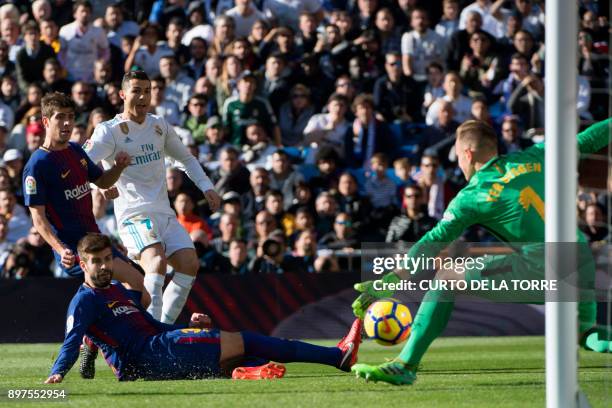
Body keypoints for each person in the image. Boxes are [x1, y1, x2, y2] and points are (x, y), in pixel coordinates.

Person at [351, 119, 612, 385]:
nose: (459, 164)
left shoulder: (473, 194)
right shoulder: (536, 155)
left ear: (468, 153)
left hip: (544, 265)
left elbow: (435, 239)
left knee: (447, 277)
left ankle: (405, 364)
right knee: (588, 335)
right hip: (581, 262)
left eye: (457, 155)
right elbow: (588, 139)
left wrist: (392, 279)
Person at [45, 233, 361, 383]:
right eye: (95, 261)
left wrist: (189, 327)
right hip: (147, 359)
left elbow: (148, 325)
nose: (102, 266)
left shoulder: (114, 290)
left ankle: (245, 372)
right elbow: (72, 339)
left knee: (246, 353)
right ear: (83, 264)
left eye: (106, 259)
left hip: (159, 348)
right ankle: (337, 357)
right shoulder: (84, 300)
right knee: (245, 340)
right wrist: (58, 373)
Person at [23, 91, 149, 378]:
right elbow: (38, 219)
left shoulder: (76, 152)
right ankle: (112, 351)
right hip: (75, 251)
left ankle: (91, 343)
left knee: (142, 293)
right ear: (46, 121)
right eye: (60, 118)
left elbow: (101, 180)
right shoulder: (37, 166)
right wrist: (59, 248)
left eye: (70, 117)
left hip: (97, 241)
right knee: (117, 292)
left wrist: (117, 167)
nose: (67, 123)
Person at [84, 70, 221, 325]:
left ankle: (161, 330)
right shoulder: (109, 131)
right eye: (136, 91)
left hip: (164, 213)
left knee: (189, 263)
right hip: (134, 215)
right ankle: (148, 337)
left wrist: (207, 187)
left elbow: (186, 159)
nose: (143, 96)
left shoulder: (159, 125)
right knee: (156, 262)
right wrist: (101, 185)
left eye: (147, 91)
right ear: (123, 95)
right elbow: (83, 164)